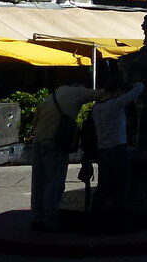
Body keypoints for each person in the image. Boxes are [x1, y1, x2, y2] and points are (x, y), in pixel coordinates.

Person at [30, 83, 104, 232]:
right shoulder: (77, 92)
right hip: (55, 141)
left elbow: (34, 122)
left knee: (38, 182)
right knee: (54, 182)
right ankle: (50, 221)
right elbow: (101, 93)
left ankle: (37, 217)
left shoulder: (50, 97)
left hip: (38, 141)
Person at [90, 75, 144, 232]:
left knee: (103, 188)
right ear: (118, 90)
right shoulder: (115, 104)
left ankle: (94, 223)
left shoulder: (96, 107)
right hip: (118, 150)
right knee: (121, 188)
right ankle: (119, 224)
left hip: (103, 151)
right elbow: (140, 89)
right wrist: (136, 82)